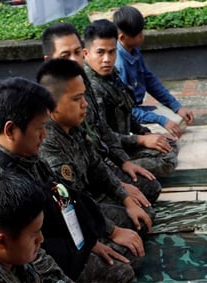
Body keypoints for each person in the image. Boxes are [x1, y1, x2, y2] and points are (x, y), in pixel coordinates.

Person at [0, 78, 143, 283]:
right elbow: (29, 255)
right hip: (30, 271)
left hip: (57, 243)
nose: (44, 135)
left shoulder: (25, 152)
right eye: (39, 128)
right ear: (11, 130)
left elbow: (61, 195)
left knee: (130, 256)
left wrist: (89, 239)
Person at [41, 22, 161, 203]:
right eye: (66, 55)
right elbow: (68, 190)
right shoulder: (50, 103)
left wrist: (123, 162)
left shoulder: (83, 81)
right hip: (76, 185)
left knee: (150, 189)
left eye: (77, 52)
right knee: (137, 214)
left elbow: (101, 129)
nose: (75, 60)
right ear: (49, 59)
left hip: (96, 163)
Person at [37, 58, 155, 236]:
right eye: (76, 99)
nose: (84, 104)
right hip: (74, 211)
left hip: (90, 194)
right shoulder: (47, 141)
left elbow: (96, 165)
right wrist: (113, 232)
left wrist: (125, 197)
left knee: (147, 197)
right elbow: (71, 201)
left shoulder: (73, 124)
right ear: (52, 104)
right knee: (136, 234)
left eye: (83, 95)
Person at [83, 19, 178, 178]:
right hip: (107, 155)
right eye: (100, 52)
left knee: (168, 144)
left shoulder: (111, 75)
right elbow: (102, 137)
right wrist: (140, 140)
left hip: (124, 144)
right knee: (167, 160)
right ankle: (117, 175)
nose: (107, 59)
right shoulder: (88, 87)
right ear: (86, 53)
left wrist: (144, 133)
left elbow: (126, 110)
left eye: (112, 52)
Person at [113, 5, 195, 138]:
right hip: (127, 118)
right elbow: (125, 112)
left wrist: (176, 106)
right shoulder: (119, 65)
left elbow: (150, 80)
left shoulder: (133, 50)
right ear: (122, 38)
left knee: (179, 122)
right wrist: (160, 119)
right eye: (138, 35)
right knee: (168, 134)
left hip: (138, 110)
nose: (142, 37)